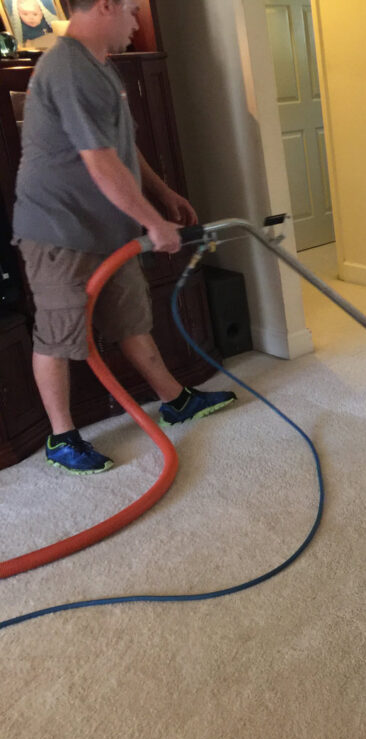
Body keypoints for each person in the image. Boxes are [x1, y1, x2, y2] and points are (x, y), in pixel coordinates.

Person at [12, 0, 236, 475]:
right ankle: (62, 437)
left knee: (132, 320)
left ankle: (174, 400)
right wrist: (153, 224)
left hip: (108, 230)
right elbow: (98, 160)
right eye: (132, 11)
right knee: (59, 334)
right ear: (106, 6)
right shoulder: (68, 67)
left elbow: (122, 147)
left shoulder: (99, 68)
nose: (136, 22)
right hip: (60, 232)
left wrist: (162, 193)